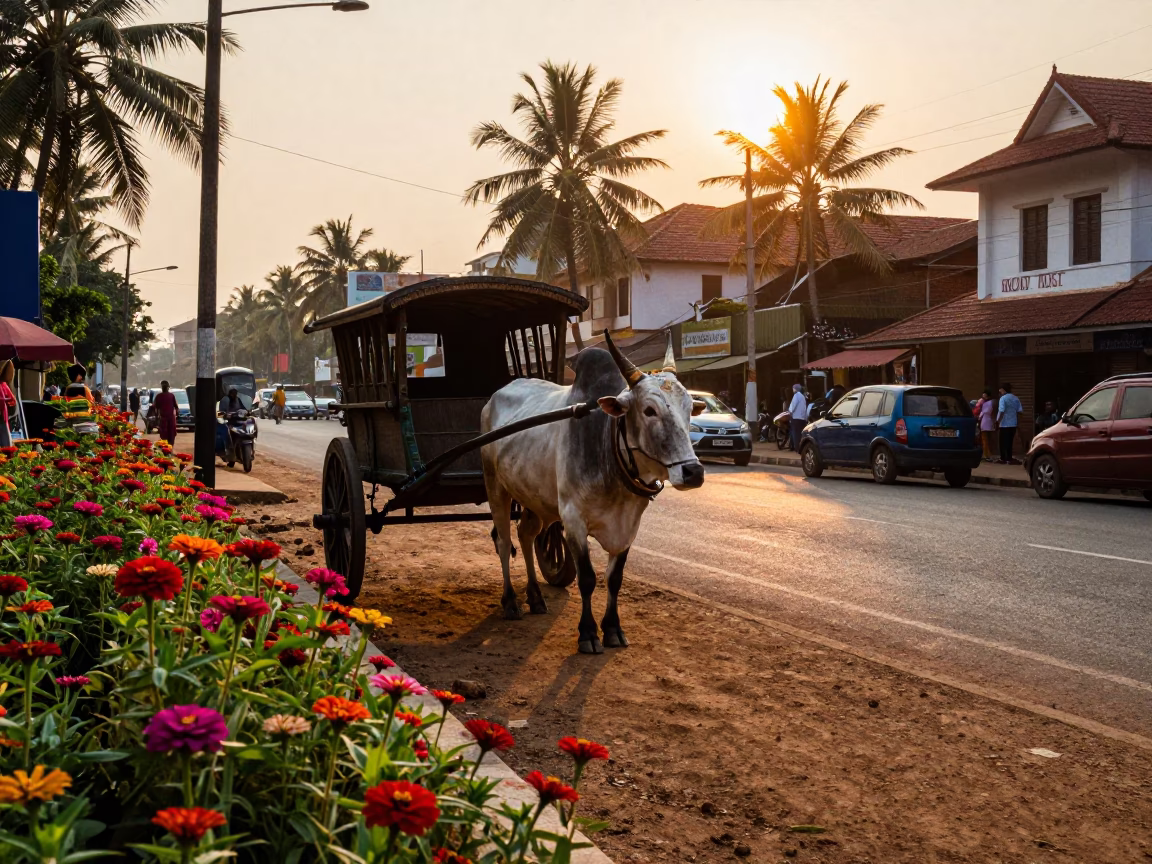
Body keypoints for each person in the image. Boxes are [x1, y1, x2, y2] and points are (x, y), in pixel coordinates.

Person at [996, 382, 1023, 465]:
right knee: (1009, 442)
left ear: (1003, 390)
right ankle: (1009, 458)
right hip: (1013, 424)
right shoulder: (1015, 398)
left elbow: (1001, 411)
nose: (999, 391)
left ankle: (1003, 458)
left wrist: (997, 421)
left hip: (1004, 424)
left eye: (1000, 389)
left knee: (1002, 442)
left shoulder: (1003, 399)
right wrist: (1018, 423)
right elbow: (1020, 411)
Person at [153, 380, 178, 445]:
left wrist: (156, 418)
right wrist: (177, 414)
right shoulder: (171, 395)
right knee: (171, 434)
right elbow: (176, 407)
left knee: (164, 435)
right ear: (168, 387)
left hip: (164, 418)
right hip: (170, 418)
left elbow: (156, 408)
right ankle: (169, 448)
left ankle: (166, 448)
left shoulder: (159, 396)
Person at [975, 388, 997, 462]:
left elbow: (984, 412)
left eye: (984, 395)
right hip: (989, 422)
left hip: (985, 421)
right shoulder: (991, 402)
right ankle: (988, 454)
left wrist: (978, 417)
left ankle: (987, 454)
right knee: (987, 439)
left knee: (985, 439)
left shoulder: (986, 403)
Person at [0, 360, 16, 448]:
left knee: (6, 447)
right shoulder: (3, 385)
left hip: (3, 419)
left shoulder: (3, 385)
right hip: (2, 419)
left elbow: (12, 401)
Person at [787, 383, 808, 452]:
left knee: (795, 434)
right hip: (802, 418)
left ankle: (797, 448)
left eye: (793, 388)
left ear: (795, 389)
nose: (792, 390)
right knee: (799, 433)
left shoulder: (796, 396)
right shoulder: (802, 396)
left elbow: (793, 405)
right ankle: (798, 447)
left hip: (796, 418)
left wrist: (789, 412)